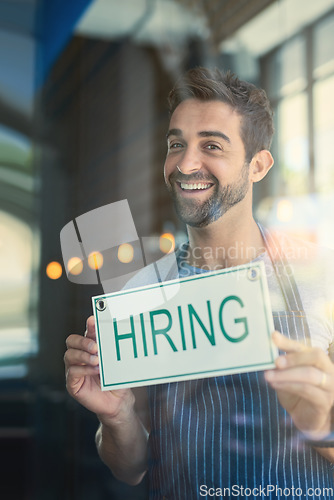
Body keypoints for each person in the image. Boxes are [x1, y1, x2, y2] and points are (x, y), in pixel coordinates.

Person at [64, 67, 334, 499]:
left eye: (211, 145)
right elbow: (130, 468)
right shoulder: (139, 295)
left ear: (258, 165)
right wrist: (117, 418)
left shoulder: (324, 279)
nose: (186, 164)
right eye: (177, 145)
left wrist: (323, 425)